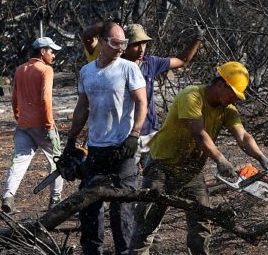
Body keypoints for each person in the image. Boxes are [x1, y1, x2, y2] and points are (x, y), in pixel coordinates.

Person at [129, 61, 268, 255]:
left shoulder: (228, 110)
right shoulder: (192, 96)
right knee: (147, 219)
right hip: (162, 164)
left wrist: (262, 158)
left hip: (190, 171)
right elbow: (199, 135)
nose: (236, 99)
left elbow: (243, 136)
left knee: (201, 223)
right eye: (233, 93)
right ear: (220, 84)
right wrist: (220, 159)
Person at [64, 21, 147, 255]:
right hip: (96, 149)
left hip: (122, 149)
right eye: (115, 43)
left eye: (123, 43)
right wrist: (71, 140)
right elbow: (82, 108)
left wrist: (134, 135)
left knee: (122, 210)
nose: (121, 48)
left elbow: (142, 103)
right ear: (102, 42)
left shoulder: (129, 69)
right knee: (89, 205)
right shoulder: (87, 71)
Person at [81, 21, 203, 166]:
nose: (141, 49)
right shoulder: (114, 66)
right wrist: (105, 25)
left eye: (144, 44)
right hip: (123, 135)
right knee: (125, 176)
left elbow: (182, 60)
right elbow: (86, 38)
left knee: (152, 177)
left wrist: (198, 39)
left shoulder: (150, 63)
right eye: (136, 44)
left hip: (149, 132)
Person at [2, 36, 64, 214]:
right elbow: (46, 99)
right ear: (42, 51)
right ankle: (55, 200)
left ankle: (8, 196)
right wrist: (49, 125)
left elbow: (14, 97)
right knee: (56, 161)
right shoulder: (46, 70)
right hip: (43, 126)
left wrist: (18, 116)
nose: (53, 55)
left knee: (18, 161)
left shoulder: (20, 69)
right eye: (51, 51)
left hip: (24, 125)